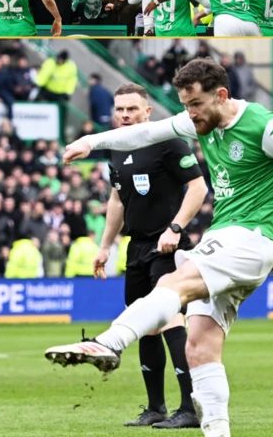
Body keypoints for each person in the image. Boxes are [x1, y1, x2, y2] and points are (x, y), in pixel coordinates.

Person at [44, 58, 273, 437]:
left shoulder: (269, 127)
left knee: (172, 285)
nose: (190, 114)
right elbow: (143, 134)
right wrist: (91, 142)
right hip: (226, 237)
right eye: (185, 105)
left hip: (250, 238)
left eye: (196, 104)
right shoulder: (198, 120)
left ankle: (108, 342)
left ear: (221, 95)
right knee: (200, 346)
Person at [95, 84, 207, 428]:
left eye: (132, 109)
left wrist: (175, 228)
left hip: (167, 247)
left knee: (170, 319)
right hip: (137, 247)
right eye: (120, 110)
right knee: (145, 327)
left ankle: (190, 408)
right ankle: (155, 407)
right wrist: (105, 246)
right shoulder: (114, 146)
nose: (125, 115)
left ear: (148, 112)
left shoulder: (169, 143)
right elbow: (116, 201)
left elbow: (198, 187)